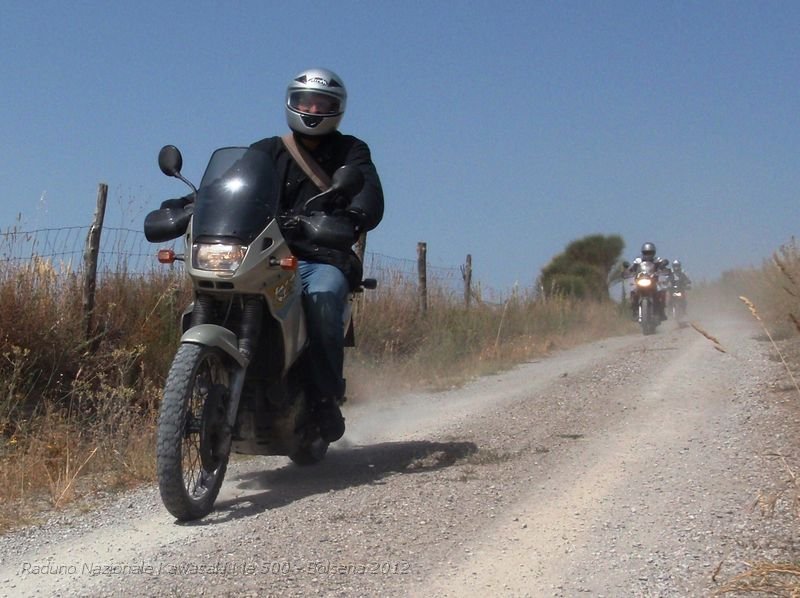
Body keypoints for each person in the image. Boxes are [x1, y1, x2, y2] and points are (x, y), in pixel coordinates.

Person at [246, 67, 384, 443]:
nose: (311, 108)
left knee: (323, 297)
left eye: (321, 102)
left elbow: (368, 192)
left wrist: (354, 216)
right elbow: (234, 186)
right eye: (305, 100)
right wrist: (194, 201)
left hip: (321, 256)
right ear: (291, 102)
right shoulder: (265, 151)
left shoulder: (351, 150)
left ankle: (324, 399)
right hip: (264, 254)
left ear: (336, 109)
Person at [625, 242, 671, 321]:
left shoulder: (657, 260)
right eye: (646, 252)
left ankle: (661, 312)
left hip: (653, 281)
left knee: (661, 292)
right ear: (643, 252)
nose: (648, 254)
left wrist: (664, 267)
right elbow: (632, 268)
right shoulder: (638, 260)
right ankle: (635, 312)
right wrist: (628, 272)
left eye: (650, 252)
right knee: (633, 292)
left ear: (653, 253)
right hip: (641, 280)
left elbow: (663, 264)